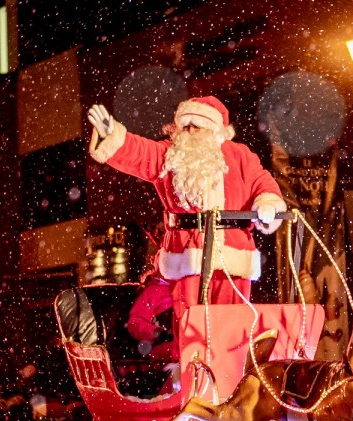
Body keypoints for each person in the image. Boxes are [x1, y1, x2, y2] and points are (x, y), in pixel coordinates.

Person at [86, 96, 288, 322]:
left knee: (232, 323)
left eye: (197, 127)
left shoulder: (240, 156)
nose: (190, 132)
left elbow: (262, 182)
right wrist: (113, 135)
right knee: (190, 323)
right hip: (186, 254)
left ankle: (227, 358)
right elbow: (141, 153)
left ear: (214, 131)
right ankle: (194, 358)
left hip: (234, 255)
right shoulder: (171, 154)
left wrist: (268, 202)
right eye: (186, 126)